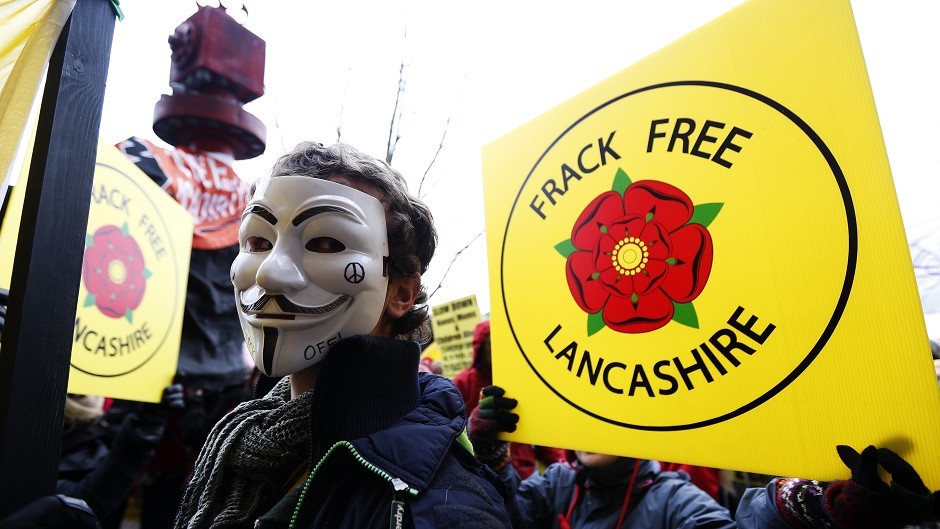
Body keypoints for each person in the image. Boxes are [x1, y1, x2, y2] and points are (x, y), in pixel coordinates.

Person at [173, 142, 511, 529]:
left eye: (327, 243)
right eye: (259, 242)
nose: (269, 273)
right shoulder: (241, 447)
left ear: (402, 292)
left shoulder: (442, 508)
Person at [468, 386, 939, 529]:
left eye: (607, 420)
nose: (590, 433)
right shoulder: (555, 487)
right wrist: (484, 454)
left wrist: (816, 508)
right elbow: (492, 518)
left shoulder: (675, 499)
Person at [454, 319, 569, 479]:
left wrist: (559, 461)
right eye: (491, 343)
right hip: (480, 471)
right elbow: (455, 429)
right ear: (480, 347)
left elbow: (539, 424)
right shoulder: (464, 382)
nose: (496, 349)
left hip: (523, 472)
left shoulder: (521, 379)